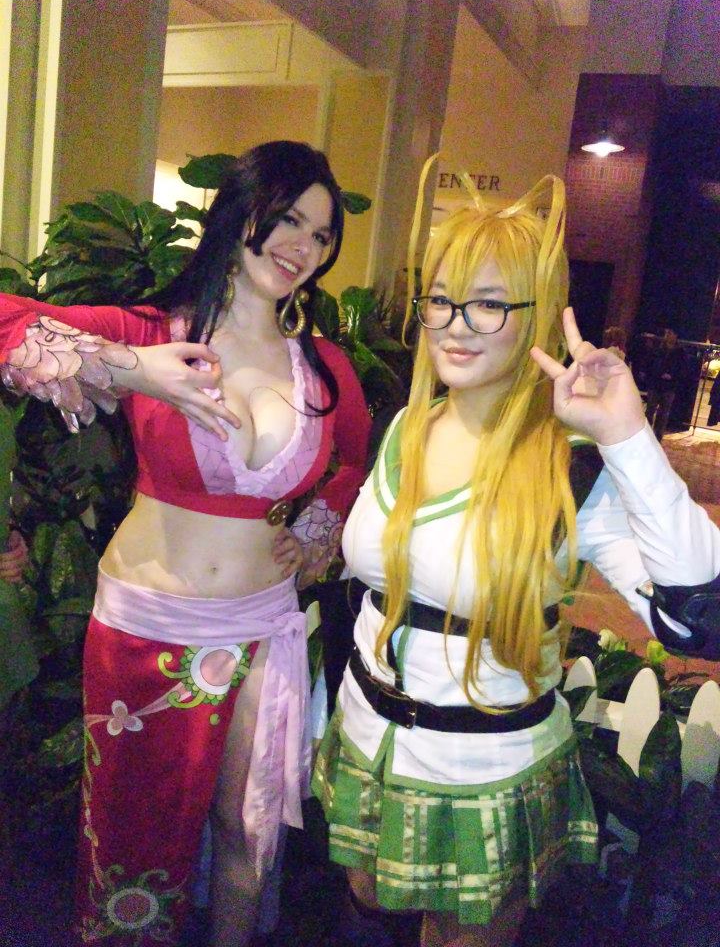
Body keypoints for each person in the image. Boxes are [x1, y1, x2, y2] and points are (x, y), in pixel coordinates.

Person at [312, 167, 720, 947]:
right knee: (363, 908)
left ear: (536, 313)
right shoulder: (402, 428)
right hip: (369, 737)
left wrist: (627, 437)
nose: (457, 325)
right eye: (442, 299)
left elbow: (700, 620)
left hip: (484, 771)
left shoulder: (569, 464)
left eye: (490, 303)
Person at [0, 140, 371, 947]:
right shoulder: (149, 330)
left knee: (248, 830)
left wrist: (319, 521)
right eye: (288, 219)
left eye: (321, 234)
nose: (303, 246)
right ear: (240, 212)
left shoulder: (322, 366)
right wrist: (135, 368)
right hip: (146, 627)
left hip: (262, 624)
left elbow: (355, 456)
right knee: (131, 841)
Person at [644, 327, 686, 441]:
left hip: (669, 386)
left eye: (670, 333)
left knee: (663, 414)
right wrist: (659, 373)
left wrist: (672, 375)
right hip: (656, 383)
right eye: (666, 333)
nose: (667, 335)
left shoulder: (680, 352)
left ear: (676, 335)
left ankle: (657, 437)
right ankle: (646, 435)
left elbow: (682, 369)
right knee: (650, 410)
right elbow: (651, 364)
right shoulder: (658, 349)